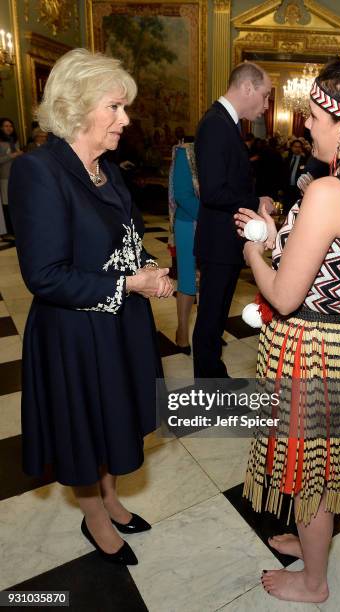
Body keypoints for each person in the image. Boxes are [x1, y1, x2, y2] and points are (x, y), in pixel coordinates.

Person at [235, 46, 340, 602]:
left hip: (312, 355)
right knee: (322, 467)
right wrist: (280, 226)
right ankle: (312, 548)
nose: (305, 123)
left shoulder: (329, 192)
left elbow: (283, 295)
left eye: (316, 115)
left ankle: (313, 581)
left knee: (310, 473)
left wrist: (253, 251)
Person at [9, 49, 173, 566]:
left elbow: (125, 238)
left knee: (115, 419)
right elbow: (45, 275)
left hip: (119, 325)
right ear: (78, 107)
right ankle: (96, 517)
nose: (125, 119)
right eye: (115, 107)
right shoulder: (37, 171)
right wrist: (130, 282)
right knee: (85, 428)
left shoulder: (107, 170)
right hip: (74, 334)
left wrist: (149, 270)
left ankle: (111, 497)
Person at [193, 62, 273, 380]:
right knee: (211, 317)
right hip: (217, 242)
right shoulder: (215, 124)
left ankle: (213, 375)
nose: (266, 105)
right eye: (265, 96)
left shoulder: (226, 122)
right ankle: (209, 384)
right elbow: (213, 192)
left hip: (225, 240)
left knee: (215, 316)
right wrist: (256, 202)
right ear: (248, 88)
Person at [168, 138, 200, 353]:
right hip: (189, 222)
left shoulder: (224, 150)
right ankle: (182, 333)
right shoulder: (185, 152)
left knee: (210, 281)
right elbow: (182, 194)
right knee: (188, 280)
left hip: (214, 224)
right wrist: (212, 218)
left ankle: (206, 330)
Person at [0, 117, 23, 238]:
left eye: (10, 126)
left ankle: (16, 229)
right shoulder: (1, 142)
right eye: (6, 126)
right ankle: (8, 231)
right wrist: (12, 155)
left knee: (15, 203)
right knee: (6, 204)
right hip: (4, 177)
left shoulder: (15, 141)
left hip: (16, 176)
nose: (9, 128)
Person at [282, 138, 307, 214]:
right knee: (286, 208)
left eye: (299, 147)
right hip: (287, 188)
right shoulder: (287, 159)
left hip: (298, 190)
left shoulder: (305, 160)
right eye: (295, 147)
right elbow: (283, 174)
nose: (297, 149)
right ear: (291, 148)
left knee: (296, 209)